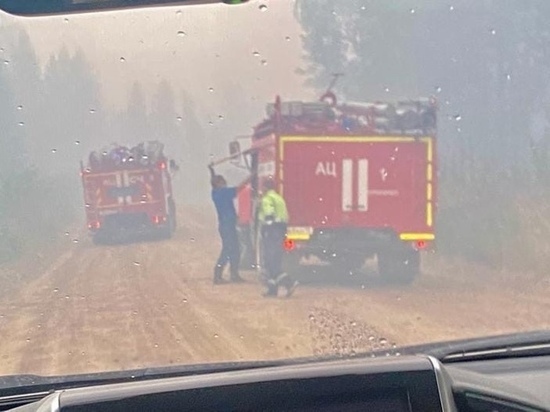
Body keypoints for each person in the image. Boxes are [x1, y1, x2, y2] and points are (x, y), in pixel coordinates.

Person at [209, 163, 250, 285]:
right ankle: (218, 274)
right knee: (228, 249)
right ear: (219, 184)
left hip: (227, 225)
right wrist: (251, 177)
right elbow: (240, 188)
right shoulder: (223, 192)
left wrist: (211, 170)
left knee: (234, 249)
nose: (225, 183)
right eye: (223, 182)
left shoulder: (216, 192)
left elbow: (214, 180)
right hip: (227, 225)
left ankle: (233, 274)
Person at [258, 178, 299, 298]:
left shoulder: (267, 199)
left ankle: (288, 283)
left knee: (271, 261)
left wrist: (266, 228)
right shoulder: (279, 198)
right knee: (275, 260)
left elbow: (269, 214)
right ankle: (272, 290)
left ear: (265, 187)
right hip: (281, 231)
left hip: (271, 232)